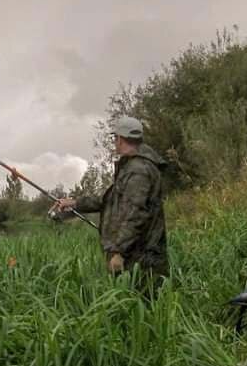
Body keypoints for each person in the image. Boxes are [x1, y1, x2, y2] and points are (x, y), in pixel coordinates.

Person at [52, 116, 168, 289]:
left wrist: (118, 252)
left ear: (120, 139)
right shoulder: (132, 167)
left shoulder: (138, 171)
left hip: (142, 258)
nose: (115, 142)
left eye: (115, 138)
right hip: (136, 253)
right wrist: (75, 203)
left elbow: (135, 214)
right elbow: (108, 200)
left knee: (142, 306)